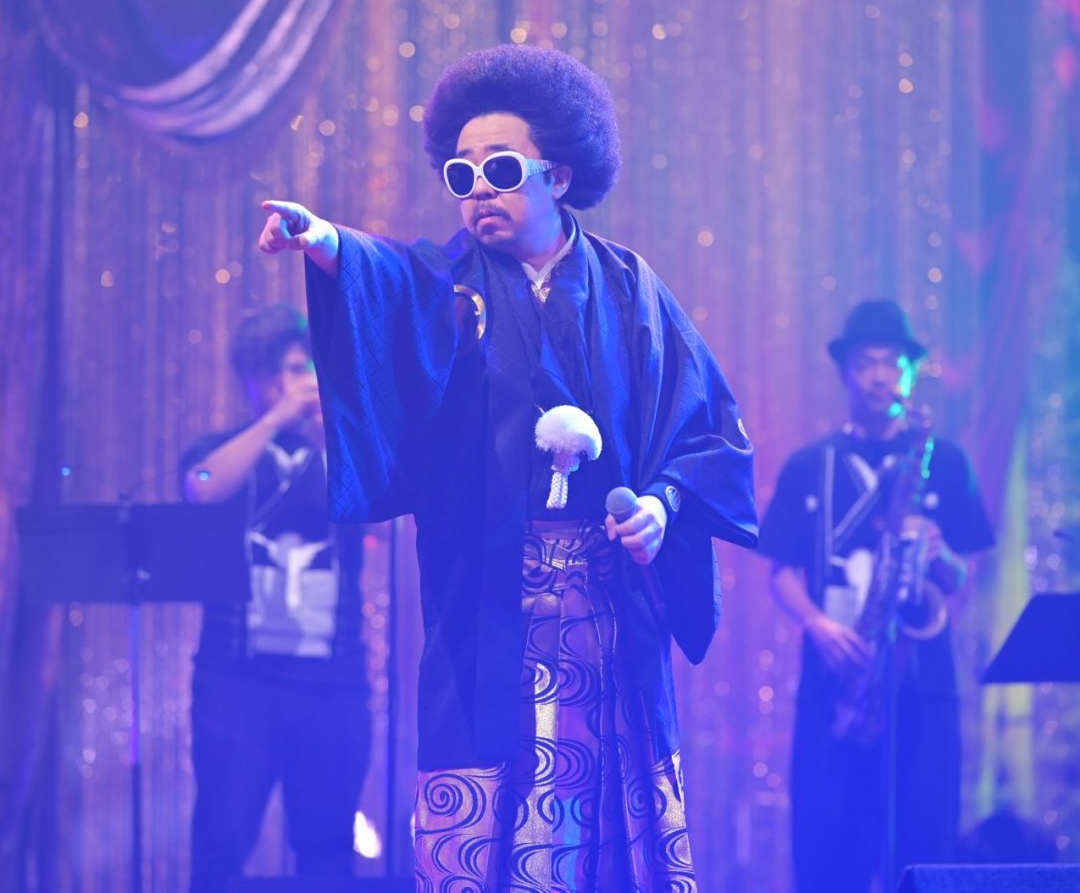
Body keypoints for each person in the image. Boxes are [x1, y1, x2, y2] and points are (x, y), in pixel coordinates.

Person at [257, 44, 756, 890]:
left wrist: (662, 508)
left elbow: (709, 432)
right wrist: (324, 240)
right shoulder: (447, 284)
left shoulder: (630, 290)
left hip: (607, 605)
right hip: (488, 601)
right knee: (486, 809)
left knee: (610, 817)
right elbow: (388, 279)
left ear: (557, 176)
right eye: (462, 173)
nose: (478, 189)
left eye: (499, 168)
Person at [757, 300, 996, 893]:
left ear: (911, 374)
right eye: (866, 363)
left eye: (894, 364)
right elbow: (780, 568)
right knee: (827, 857)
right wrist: (817, 625)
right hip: (836, 684)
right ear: (845, 373)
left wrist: (937, 553)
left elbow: (967, 573)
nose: (880, 377)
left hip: (922, 687)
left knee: (925, 852)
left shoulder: (945, 461)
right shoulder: (810, 465)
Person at [180, 303, 370, 891]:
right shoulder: (227, 449)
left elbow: (391, 511)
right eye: (289, 370)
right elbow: (200, 487)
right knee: (222, 839)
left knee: (327, 848)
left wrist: (331, 431)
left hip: (332, 684)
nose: (303, 382)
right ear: (256, 379)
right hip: (237, 682)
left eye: (310, 368)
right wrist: (276, 419)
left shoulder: (343, 453)